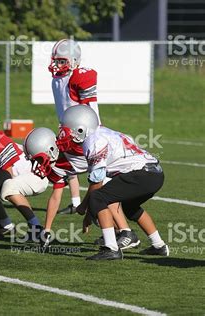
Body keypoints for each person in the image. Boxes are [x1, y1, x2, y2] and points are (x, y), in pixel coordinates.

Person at [58, 105, 169, 260]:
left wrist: (85, 209)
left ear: (81, 129)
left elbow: (97, 182)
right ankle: (159, 246)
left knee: (98, 197)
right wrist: (88, 209)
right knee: (130, 207)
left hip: (143, 174)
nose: (64, 134)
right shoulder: (102, 132)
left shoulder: (93, 142)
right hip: (154, 173)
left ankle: (111, 248)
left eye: (67, 130)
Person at [23, 127, 140, 249]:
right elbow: (55, 197)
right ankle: (122, 235)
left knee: (101, 196)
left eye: (39, 159)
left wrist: (86, 205)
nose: (39, 163)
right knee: (97, 211)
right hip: (102, 174)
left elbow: (98, 174)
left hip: (119, 165)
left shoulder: (76, 146)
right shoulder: (56, 167)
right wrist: (47, 229)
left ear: (50, 149)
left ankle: (126, 232)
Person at [48, 39, 100, 215]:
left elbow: (90, 108)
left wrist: (92, 131)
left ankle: (116, 224)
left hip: (83, 132)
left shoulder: (78, 76)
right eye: (56, 60)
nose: (57, 65)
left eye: (62, 61)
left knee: (98, 174)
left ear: (74, 61)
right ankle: (77, 203)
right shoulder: (57, 80)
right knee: (66, 166)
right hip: (67, 130)